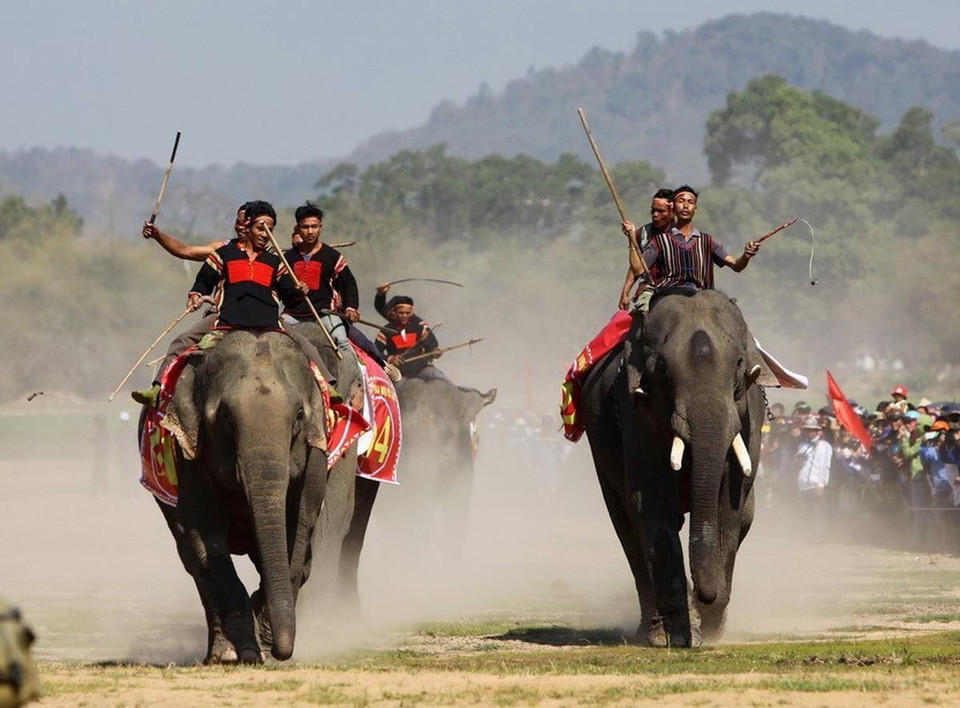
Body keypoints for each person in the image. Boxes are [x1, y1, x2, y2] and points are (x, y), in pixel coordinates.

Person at [133, 201, 324, 406]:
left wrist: (298, 290)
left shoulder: (275, 260)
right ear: (246, 226)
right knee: (181, 342)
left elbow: (289, 296)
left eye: (269, 229)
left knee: (305, 345)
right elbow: (203, 278)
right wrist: (196, 294)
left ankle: (328, 389)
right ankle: (159, 390)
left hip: (267, 321)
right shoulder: (223, 253)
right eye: (260, 227)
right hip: (225, 319)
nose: (264, 233)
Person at [282, 202, 359, 353]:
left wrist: (351, 308)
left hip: (325, 314)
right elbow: (281, 289)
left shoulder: (332, 256)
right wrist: (295, 291)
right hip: (293, 315)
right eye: (305, 227)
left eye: (314, 226)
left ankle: (358, 375)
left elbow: (348, 283)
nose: (310, 231)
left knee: (342, 343)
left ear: (320, 227)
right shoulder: (287, 258)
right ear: (298, 229)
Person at [373, 283, 444, 380]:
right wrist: (390, 359)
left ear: (412, 311)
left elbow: (432, 345)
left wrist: (435, 352)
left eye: (408, 313)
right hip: (398, 373)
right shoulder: (386, 330)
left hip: (421, 369)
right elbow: (375, 352)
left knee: (440, 378)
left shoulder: (420, 326)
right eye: (401, 313)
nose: (404, 316)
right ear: (394, 312)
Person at [618, 188, 674, 310]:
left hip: (675, 286)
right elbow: (636, 268)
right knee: (643, 310)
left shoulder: (680, 234)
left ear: (672, 212)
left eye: (661, 211)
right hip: (649, 288)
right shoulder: (643, 233)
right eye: (653, 210)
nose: (655, 215)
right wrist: (625, 293)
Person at [141, 202, 251, 261]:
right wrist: (157, 235)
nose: (240, 228)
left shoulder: (268, 254)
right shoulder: (224, 249)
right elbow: (184, 251)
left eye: (245, 223)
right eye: (238, 223)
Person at [796, 415, 832, 535]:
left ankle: (819, 535)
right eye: (808, 430)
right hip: (803, 483)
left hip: (816, 483)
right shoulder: (802, 446)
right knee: (807, 511)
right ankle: (808, 533)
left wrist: (821, 484)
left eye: (812, 430)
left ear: (817, 431)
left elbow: (824, 466)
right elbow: (798, 462)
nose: (809, 432)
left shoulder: (824, 446)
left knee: (818, 512)